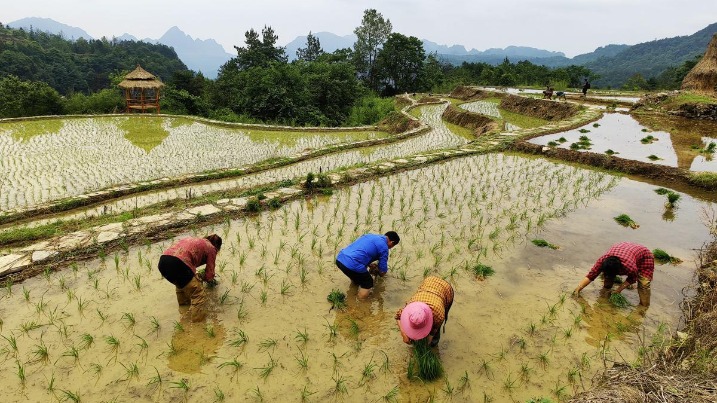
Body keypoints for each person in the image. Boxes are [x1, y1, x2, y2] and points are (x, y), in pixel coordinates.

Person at [158, 234, 222, 321]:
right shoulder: (211, 248)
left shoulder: (194, 240)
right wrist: (205, 280)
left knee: (182, 285)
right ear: (217, 246)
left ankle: (184, 312)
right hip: (179, 264)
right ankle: (198, 325)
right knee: (198, 294)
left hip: (163, 262)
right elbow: (209, 274)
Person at [573, 242, 654, 307]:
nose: (607, 277)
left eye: (612, 275)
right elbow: (591, 275)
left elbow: (632, 278)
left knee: (644, 284)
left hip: (644, 255)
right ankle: (606, 289)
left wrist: (618, 291)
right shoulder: (602, 261)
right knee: (608, 279)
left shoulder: (629, 267)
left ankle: (644, 306)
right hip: (624, 248)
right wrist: (578, 289)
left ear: (619, 270)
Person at [335, 231, 400, 299]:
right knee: (368, 283)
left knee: (357, 278)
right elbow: (382, 272)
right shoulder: (384, 247)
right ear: (392, 242)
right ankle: (360, 304)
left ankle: (351, 298)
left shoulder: (369, 235)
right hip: (353, 264)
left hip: (340, 258)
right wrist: (377, 270)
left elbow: (361, 252)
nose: (390, 248)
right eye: (392, 246)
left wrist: (369, 264)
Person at [396, 276, 454, 347]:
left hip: (445, 289)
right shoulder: (410, 307)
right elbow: (397, 316)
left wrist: (427, 344)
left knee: (433, 341)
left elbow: (433, 331)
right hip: (429, 282)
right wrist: (403, 334)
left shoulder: (438, 315)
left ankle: (434, 343)